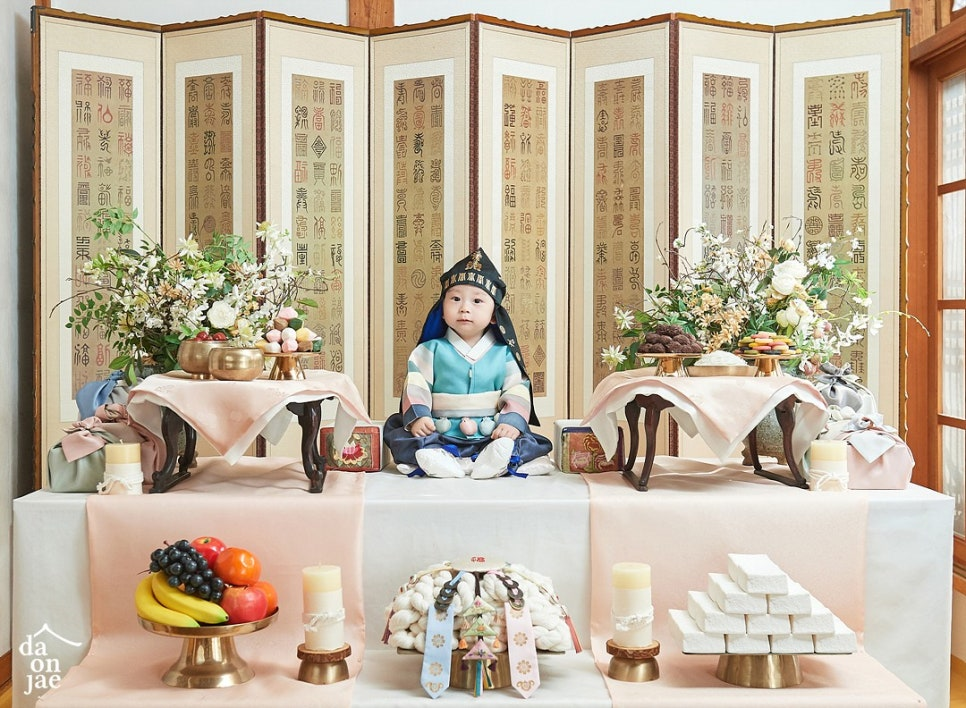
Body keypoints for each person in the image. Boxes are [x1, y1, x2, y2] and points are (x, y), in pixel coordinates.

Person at [384, 248, 553, 479]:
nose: (464, 308)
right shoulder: (429, 351)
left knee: (521, 441)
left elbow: (517, 388)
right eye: (455, 299)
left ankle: (495, 457)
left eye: (477, 301)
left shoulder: (504, 354)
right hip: (441, 429)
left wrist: (511, 422)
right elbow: (416, 384)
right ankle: (440, 458)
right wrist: (420, 417)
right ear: (442, 310)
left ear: (494, 315)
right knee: (407, 438)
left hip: (490, 431)